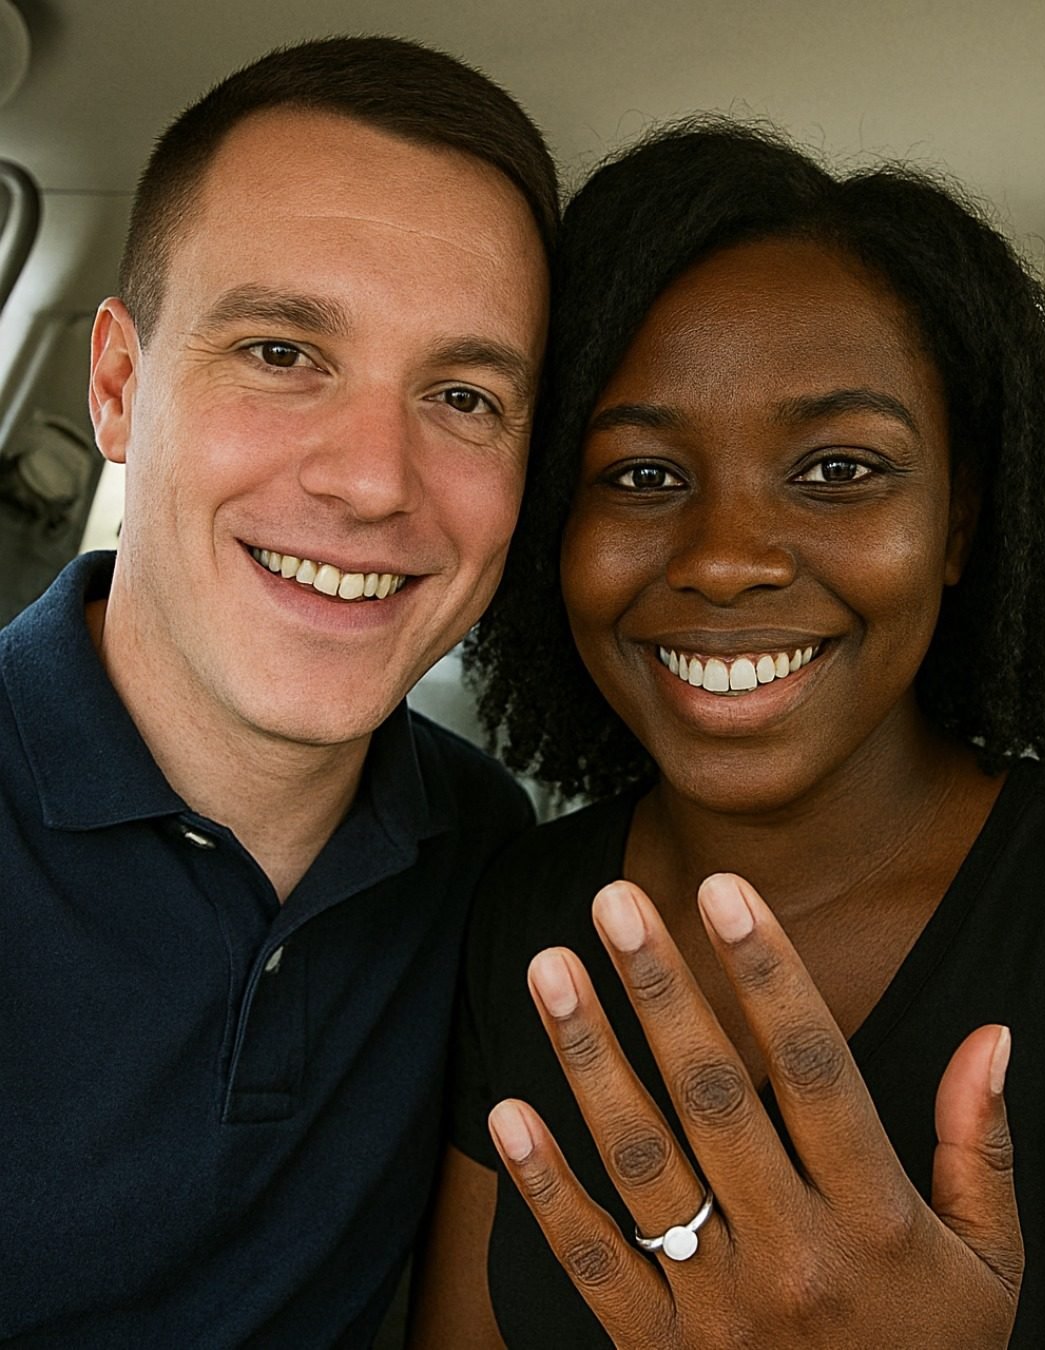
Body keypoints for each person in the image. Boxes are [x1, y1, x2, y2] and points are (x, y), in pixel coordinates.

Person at [411, 120, 1045, 1346]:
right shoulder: (522, 909)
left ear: (959, 523)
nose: (725, 560)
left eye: (839, 470)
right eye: (640, 476)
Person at [0, 35, 556, 1345]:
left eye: (463, 394)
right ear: (119, 388)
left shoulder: (486, 853)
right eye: (281, 352)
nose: (372, 479)